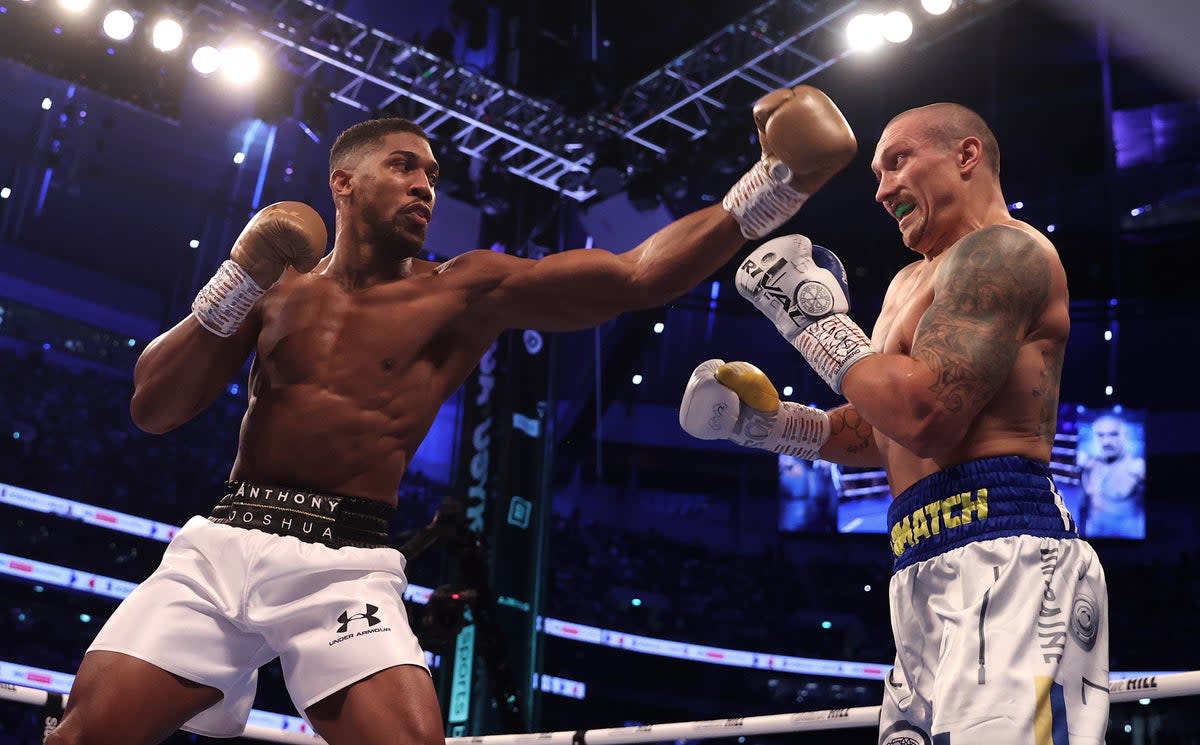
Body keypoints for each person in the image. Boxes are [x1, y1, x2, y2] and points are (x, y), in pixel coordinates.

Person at [45, 85, 856, 745]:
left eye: (432, 174)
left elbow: (634, 275)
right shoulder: (277, 287)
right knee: (83, 736)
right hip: (222, 544)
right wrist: (241, 272)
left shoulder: (460, 289)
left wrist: (774, 182)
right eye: (403, 168)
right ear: (345, 182)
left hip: (343, 562)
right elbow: (154, 405)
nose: (426, 186)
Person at [680, 103, 1110, 743]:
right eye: (876, 175)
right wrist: (771, 428)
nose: (881, 190)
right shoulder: (908, 282)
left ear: (966, 156)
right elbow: (886, 429)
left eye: (898, 162)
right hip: (917, 562)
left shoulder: (1004, 252)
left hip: (1009, 557)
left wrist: (813, 320)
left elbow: (927, 415)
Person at [1077, 413, 1145, 537]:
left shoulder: (1136, 467)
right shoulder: (1089, 466)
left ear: (1125, 436)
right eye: (1101, 435)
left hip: (1128, 541)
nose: (1107, 441)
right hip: (1094, 538)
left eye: (1113, 434)